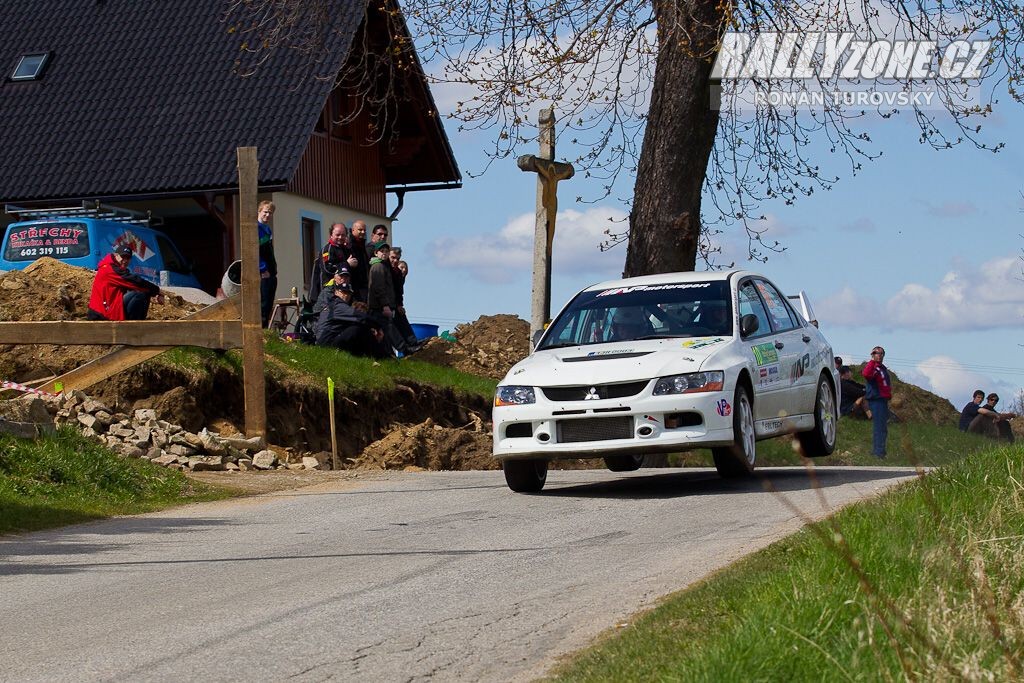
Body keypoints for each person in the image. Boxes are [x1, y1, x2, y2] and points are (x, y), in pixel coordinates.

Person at [87, 245, 165, 320]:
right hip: (101, 314)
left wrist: (153, 292)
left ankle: (139, 324)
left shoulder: (113, 267)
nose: (125, 261)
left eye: (128, 258)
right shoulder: (110, 269)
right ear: (116, 255)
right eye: (123, 257)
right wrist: (157, 291)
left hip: (108, 308)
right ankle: (132, 327)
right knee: (139, 293)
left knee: (145, 291)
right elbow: (135, 281)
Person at [314, 282, 390, 359]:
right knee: (359, 328)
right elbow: (361, 317)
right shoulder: (338, 305)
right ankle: (383, 357)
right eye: (343, 292)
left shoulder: (332, 305)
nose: (346, 295)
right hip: (328, 345)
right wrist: (378, 327)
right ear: (336, 292)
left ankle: (375, 356)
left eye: (348, 293)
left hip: (325, 342)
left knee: (358, 328)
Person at [309, 222, 355, 304]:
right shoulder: (327, 250)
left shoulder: (346, 249)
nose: (340, 237)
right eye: (337, 235)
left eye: (343, 235)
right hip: (328, 292)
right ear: (331, 235)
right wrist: (347, 264)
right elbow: (327, 269)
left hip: (344, 292)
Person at [862, 346, 893, 458]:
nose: (879, 355)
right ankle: (878, 452)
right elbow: (866, 374)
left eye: (881, 353)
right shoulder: (873, 367)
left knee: (882, 427)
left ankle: (880, 451)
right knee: (879, 427)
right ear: (872, 354)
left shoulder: (882, 368)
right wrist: (872, 361)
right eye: (876, 353)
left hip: (882, 400)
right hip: (876, 400)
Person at [389, 246, 420, 350]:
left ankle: (413, 342)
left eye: (397, 259)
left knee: (402, 317)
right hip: (386, 304)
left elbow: (399, 293)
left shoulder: (398, 275)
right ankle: (405, 347)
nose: (395, 261)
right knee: (391, 323)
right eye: (393, 258)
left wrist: (399, 305)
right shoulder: (386, 270)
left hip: (395, 303)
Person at [257, 200, 278, 328]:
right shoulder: (256, 228)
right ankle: (260, 331)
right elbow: (255, 252)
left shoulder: (267, 230)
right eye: (265, 212)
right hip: (263, 273)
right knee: (263, 304)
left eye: (270, 213)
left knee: (269, 303)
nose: (267, 215)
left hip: (272, 272)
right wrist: (262, 269)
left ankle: (265, 329)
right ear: (259, 211)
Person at [348, 220, 370, 303]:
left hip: (363, 286)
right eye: (360, 230)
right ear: (353, 230)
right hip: (355, 287)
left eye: (364, 230)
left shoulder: (362, 245)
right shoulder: (350, 246)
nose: (363, 232)